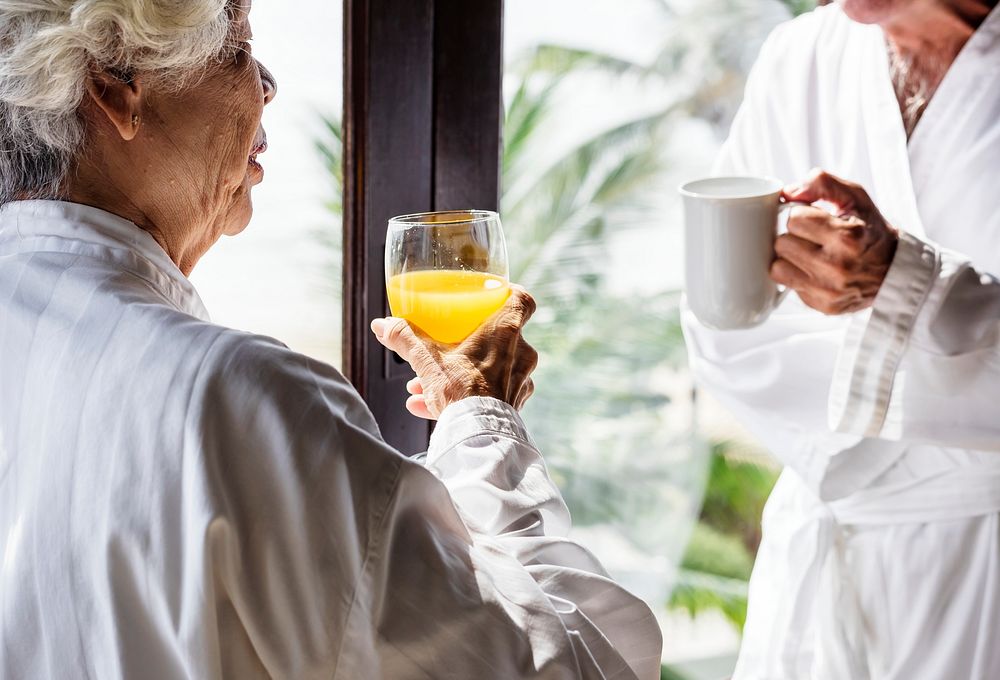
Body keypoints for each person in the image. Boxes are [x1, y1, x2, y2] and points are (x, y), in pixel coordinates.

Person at [0, 1, 663, 678]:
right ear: (114, 89)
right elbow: (573, 667)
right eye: (236, 49)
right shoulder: (240, 403)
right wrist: (484, 424)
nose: (268, 85)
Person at [682, 0, 1000, 678]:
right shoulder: (800, 57)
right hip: (817, 567)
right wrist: (948, 361)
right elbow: (724, 330)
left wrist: (910, 287)